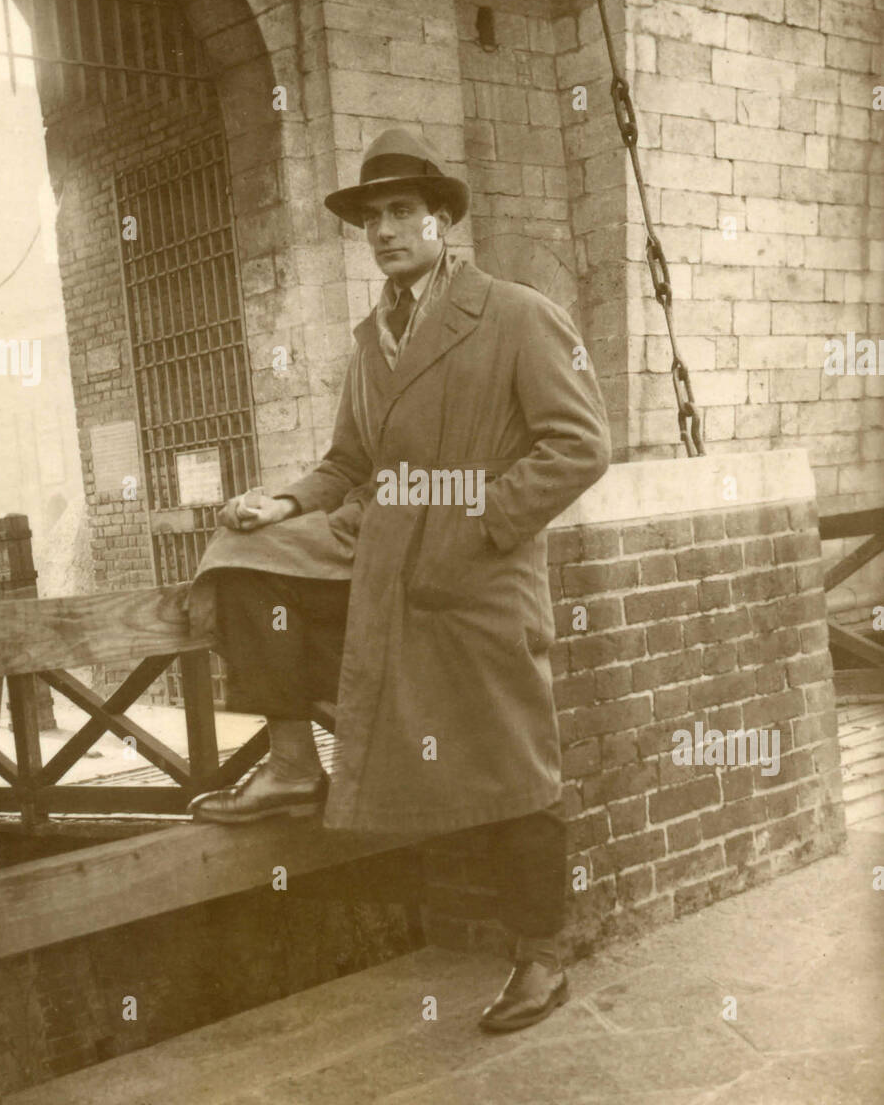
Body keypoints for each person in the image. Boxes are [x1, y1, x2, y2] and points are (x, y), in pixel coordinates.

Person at [187, 127, 612, 1032]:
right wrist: (285, 503)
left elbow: (580, 445)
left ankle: (541, 959)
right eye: (370, 217)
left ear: (442, 220)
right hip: (378, 555)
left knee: (511, 762)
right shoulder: (370, 337)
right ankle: (294, 765)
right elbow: (347, 461)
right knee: (239, 563)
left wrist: (482, 522)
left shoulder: (514, 313)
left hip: (477, 577)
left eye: (400, 212)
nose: (383, 231)